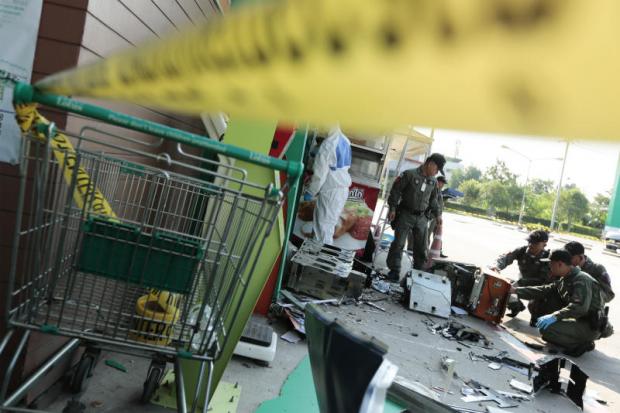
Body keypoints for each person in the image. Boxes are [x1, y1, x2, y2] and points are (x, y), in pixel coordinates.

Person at [511, 249, 609, 357]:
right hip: (582, 320)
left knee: (548, 330)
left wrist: (554, 317)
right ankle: (578, 338)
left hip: (590, 325)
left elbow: (579, 307)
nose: (549, 267)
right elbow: (544, 290)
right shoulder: (566, 278)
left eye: (551, 264)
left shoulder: (581, 279)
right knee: (547, 327)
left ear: (560, 264)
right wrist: (516, 290)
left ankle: (582, 344)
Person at [386, 153, 446, 280]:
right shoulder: (409, 174)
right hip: (405, 215)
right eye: (436, 169)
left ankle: (418, 274)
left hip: (422, 218)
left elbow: (433, 200)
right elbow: (395, 192)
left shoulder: (433, 181)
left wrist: (438, 214)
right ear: (431, 164)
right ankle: (394, 271)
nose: (436, 173)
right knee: (398, 244)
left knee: (421, 248)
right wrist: (392, 208)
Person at [304, 126, 352, 245]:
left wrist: (311, 191)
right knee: (327, 228)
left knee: (322, 231)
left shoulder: (328, 144)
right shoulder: (345, 140)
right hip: (341, 189)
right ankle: (318, 258)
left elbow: (320, 175)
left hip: (330, 191)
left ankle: (318, 261)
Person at [491, 230, 551, 321]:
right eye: (529, 241)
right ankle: (516, 306)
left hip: (538, 289)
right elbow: (504, 258)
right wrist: (496, 267)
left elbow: (543, 280)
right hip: (521, 283)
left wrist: (521, 283)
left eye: (535, 243)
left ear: (544, 244)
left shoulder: (548, 258)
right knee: (502, 287)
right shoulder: (522, 250)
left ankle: (537, 317)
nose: (530, 245)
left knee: (537, 304)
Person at [408, 174, 447, 257]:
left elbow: (439, 205)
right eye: (441, 183)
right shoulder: (432, 189)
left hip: (437, 217)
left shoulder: (439, 192)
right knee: (425, 235)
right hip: (430, 216)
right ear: (437, 182)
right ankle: (418, 250)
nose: (442, 185)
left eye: (443, 183)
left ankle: (437, 251)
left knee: (437, 235)